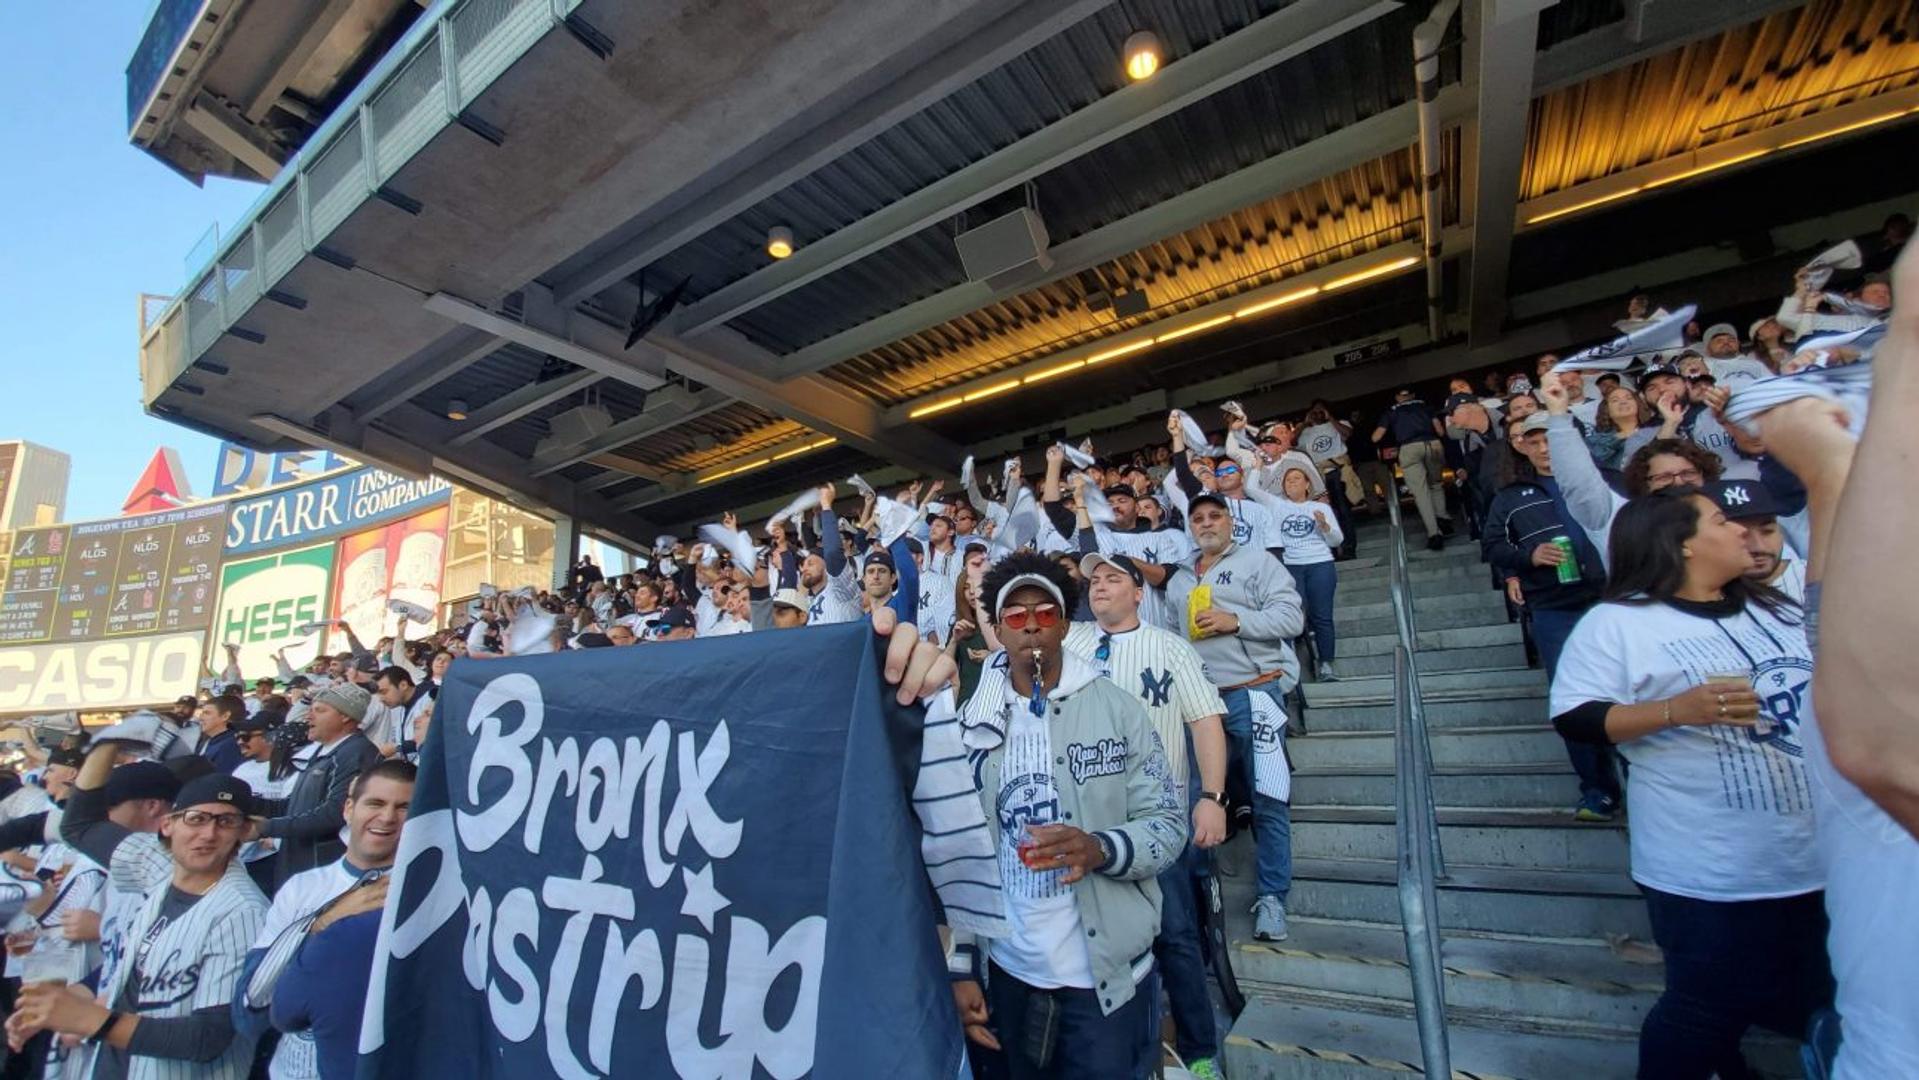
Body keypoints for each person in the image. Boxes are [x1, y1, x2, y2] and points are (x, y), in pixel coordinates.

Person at [1548, 488, 1828, 1079]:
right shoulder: (1619, 623)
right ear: (1682, 544)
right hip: (1711, 869)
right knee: (1706, 1009)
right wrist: (1676, 710)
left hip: (1818, 856)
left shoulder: (1776, 606)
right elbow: (1577, 716)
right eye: (1725, 521)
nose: (1745, 534)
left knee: (1828, 999)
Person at [947, 552, 1186, 1079]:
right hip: (1008, 975)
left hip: (1105, 983)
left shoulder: (1117, 707)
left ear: (1063, 624)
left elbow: (1169, 824)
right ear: (998, 628)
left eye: (1045, 613)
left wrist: (1100, 847)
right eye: (1015, 615)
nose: (1031, 625)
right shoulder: (972, 726)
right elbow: (965, 855)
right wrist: (963, 966)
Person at [1065, 553, 1228, 1079]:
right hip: (1088, 827)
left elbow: (1205, 722)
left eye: (1114, 578)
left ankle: (1201, 1053)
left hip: (1157, 823)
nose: (1101, 586)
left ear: (1140, 593)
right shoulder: (1071, 643)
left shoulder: (1168, 645)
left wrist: (1214, 797)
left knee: (1176, 938)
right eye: (1094, 579)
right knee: (1100, 945)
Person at [36, 744, 269, 1079]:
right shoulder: (159, 864)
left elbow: (209, 1038)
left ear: (244, 832)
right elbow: (79, 824)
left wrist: (90, 1019)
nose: (208, 834)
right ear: (167, 824)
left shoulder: (244, 911)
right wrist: (109, 743)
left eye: (226, 822)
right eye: (197, 819)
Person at [1162, 494, 1304, 940]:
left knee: (1269, 797)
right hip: (1201, 701)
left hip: (1254, 691)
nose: (1206, 524)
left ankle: (1272, 897)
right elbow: (1171, 637)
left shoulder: (1258, 561)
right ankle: (1203, 898)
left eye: (1214, 516)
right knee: (1196, 800)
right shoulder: (1180, 579)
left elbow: (1291, 617)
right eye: (1197, 518)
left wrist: (1236, 620)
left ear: (1230, 521)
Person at [240, 759, 415, 1080]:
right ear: (349, 809)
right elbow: (252, 1001)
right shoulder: (302, 888)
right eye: (375, 803)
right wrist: (322, 923)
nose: (388, 817)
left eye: (404, 807)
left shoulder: (423, 893)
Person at [1483, 414, 1621, 821]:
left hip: (1616, 600)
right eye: (1535, 441)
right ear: (1522, 446)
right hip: (1555, 607)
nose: (1545, 448)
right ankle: (1598, 788)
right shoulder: (1509, 496)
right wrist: (1528, 557)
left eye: (1552, 440)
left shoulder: (1608, 481)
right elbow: (1493, 544)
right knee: (1574, 699)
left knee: (1631, 689)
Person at [250, 684, 382, 887]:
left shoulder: (356, 753)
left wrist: (266, 827)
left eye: (319, 710)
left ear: (346, 716)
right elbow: (293, 806)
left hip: (320, 873)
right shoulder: (324, 752)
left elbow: (334, 814)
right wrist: (246, 804)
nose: (308, 717)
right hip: (298, 869)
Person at [1370, 388, 1452, 549]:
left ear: (1397, 398)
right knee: (1436, 484)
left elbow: (1376, 437)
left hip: (1409, 448)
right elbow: (1441, 431)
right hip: (1433, 444)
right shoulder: (1425, 407)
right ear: (1413, 396)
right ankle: (1443, 517)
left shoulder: (1392, 412)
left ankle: (1434, 533)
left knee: (1421, 492)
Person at [1705, 479, 1803, 601]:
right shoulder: (1696, 599)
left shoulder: (1822, 579)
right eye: (1741, 535)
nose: (1758, 546)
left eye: (1767, 531)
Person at [1587, 384, 1654, 471]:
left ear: (1638, 404)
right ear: (1606, 409)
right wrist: (1622, 435)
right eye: (1615, 400)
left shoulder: (1656, 430)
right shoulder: (1595, 440)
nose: (1623, 402)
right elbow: (1594, 459)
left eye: (1629, 398)